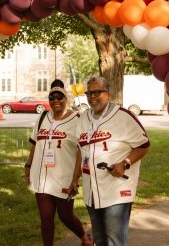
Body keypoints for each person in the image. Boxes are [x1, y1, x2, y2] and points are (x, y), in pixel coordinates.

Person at [75, 77, 150, 245]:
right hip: (91, 190)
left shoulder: (124, 116)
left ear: (107, 94)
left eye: (97, 92)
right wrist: (74, 178)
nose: (92, 96)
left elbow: (144, 145)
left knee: (114, 241)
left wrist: (125, 163)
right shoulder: (84, 118)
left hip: (116, 190)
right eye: (89, 93)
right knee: (99, 239)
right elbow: (79, 149)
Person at [24, 79, 93, 246]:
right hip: (41, 176)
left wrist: (75, 178)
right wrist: (28, 166)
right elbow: (35, 143)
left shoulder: (77, 119)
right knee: (46, 217)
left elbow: (81, 150)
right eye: (52, 98)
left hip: (64, 176)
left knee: (65, 216)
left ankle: (84, 238)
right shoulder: (42, 118)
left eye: (59, 97)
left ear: (66, 98)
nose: (56, 101)